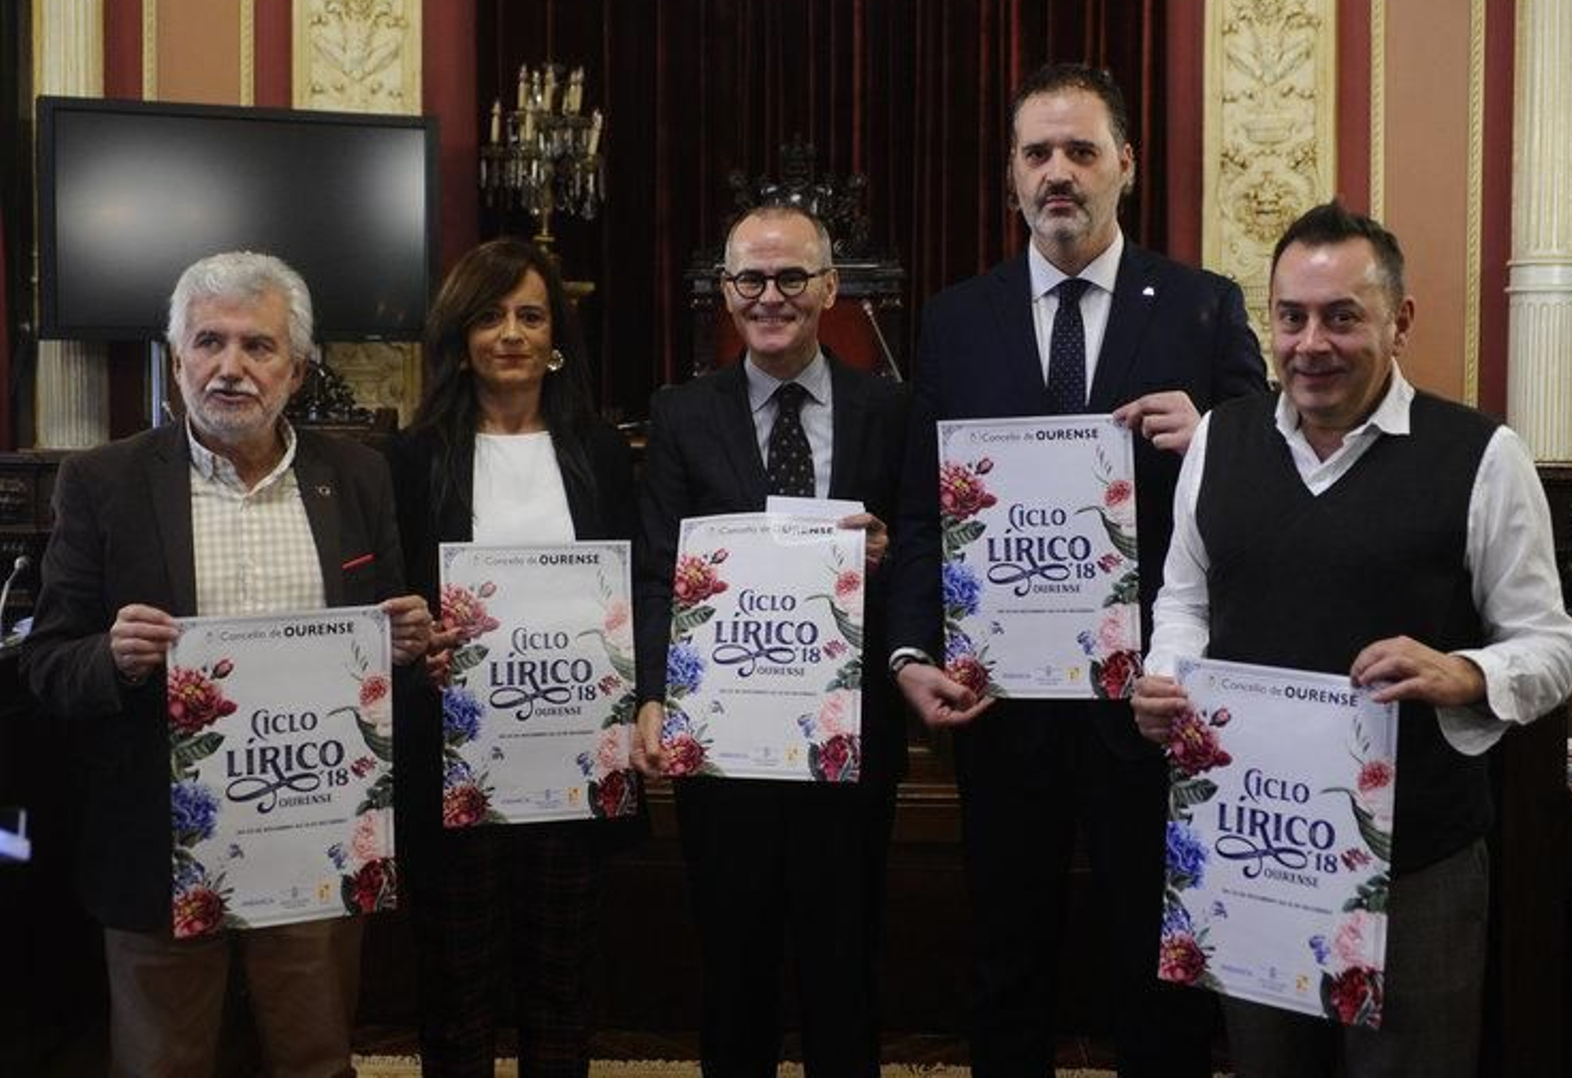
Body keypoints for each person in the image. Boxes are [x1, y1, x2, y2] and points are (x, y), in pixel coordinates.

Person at [1131, 200, 1572, 1076]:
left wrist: (1465, 671)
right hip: (1255, 848)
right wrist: (1168, 676)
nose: (1310, 344)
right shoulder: (1221, 439)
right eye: (1290, 317)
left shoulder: (1484, 456)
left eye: (1342, 317)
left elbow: (1551, 645)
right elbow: (1183, 598)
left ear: (1400, 320)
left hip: (1417, 862)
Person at [886, 62, 1269, 1076]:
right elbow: (925, 509)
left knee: (1158, 967)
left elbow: (1280, 484)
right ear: (1010, 175)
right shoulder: (954, 318)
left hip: (1151, 699)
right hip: (999, 696)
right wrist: (911, 646)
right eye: (1037, 153)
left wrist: (1220, 434)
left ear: (1125, 166)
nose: (1059, 172)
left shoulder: (1199, 305)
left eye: (1081, 150)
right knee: (1005, 955)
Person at [20, 251, 432, 1078]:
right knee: (162, 1061)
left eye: (259, 346)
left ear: (299, 368)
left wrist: (408, 638)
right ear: (177, 360)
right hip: (158, 842)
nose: (231, 367)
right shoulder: (102, 481)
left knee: (314, 1055)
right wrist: (111, 654)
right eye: (208, 342)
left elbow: (384, 637)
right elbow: (47, 663)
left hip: (313, 834)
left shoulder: (356, 476)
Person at [631, 203, 908, 1075]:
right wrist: (649, 694)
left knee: (845, 972)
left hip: (847, 741)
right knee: (733, 974)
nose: (770, 296)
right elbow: (655, 569)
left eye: (792, 277)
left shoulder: (891, 409)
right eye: (750, 278)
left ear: (830, 287)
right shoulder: (679, 413)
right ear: (726, 290)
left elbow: (934, 550)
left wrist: (886, 554)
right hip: (724, 747)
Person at [387, 238, 641, 1076]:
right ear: (459, 334)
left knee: (561, 995)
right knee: (455, 998)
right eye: (489, 315)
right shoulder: (412, 458)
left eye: (530, 315)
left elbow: (632, 595)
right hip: (453, 761)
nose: (510, 333)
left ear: (556, 334)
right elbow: (392, 604)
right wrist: (414, 640)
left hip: (573, 762)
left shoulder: (602, 453)